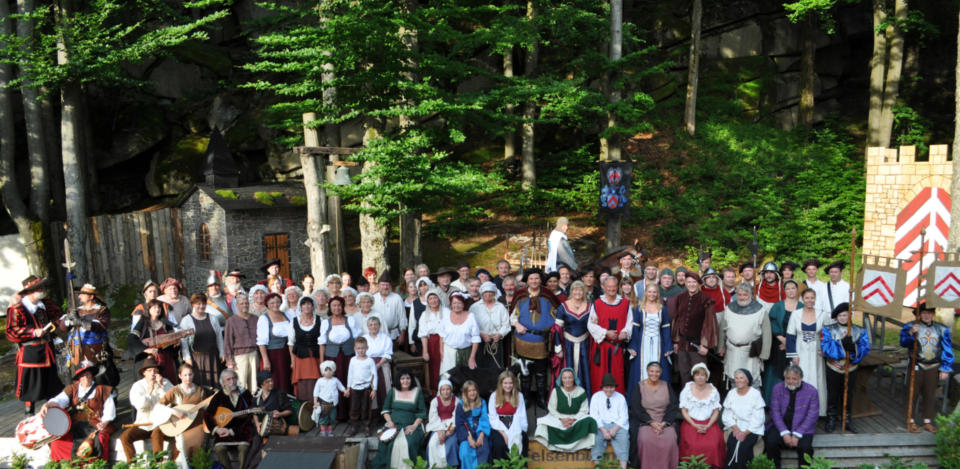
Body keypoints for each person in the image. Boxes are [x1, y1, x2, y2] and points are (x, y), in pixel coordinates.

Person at [6, 275, 66, 415]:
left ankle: (55, 413)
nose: (42, 289)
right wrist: (33, 332)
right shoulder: (18, 309)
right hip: (31, 354)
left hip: (48, 351)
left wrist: (61, 322)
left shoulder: (45, 304)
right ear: (29, 291)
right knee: (30, 388)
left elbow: (58, 317)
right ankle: (29, 415)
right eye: (38, 288)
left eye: (42, 287)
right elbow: (11, 332)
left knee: (52, 385)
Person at [42, 361, 115, 461]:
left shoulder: (102, 390)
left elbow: (109, 410)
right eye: (83, 376)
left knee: (101, 439)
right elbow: (60, 400)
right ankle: (67, 464)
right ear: (79, 378)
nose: (86, 378)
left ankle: (96, 464)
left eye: (88, 374)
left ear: (92, 375)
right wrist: (48, 404)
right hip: (75, 426)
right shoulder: (72, 389)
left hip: (96, 426)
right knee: (57, 442)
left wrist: (104, 423)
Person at [901, 304, 954, 433]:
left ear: (933, 314)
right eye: (924, 313)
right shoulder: (910, 326)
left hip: (933, 365)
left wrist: (945, 367)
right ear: (919, 314)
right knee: (912, 393)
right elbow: (903, 342)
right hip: (917, 364)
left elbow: (947, 348)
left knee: (930, 394)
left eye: (929, 313)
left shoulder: (942, 329)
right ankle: (910, 420)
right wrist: (910, 333)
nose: (926, 316)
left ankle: (927, 421)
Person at [511, 268, 560, 407]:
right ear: (527, 281)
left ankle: (541, 399)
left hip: (542, 340)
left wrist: (553, 329)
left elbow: (559, 314)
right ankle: (526, 398)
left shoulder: (548, 295)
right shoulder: (520, 295)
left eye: (537, 278)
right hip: (524, 339)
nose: (534, 281)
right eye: (531, 278)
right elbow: (512, 315)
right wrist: (517, 324)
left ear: (540, 280)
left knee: (541, 372)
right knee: (525, 372)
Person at [821, 302, 869, 433]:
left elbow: (865, 348)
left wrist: (853, 349)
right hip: (834, 367)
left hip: (851, 367)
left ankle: (846, 419)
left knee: (848, 394)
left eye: (845, 315)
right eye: (840, 316)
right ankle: (831, 418)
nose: (843, 318)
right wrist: (841, 344)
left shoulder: (859, 330)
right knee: (832, 394)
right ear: (836, 317)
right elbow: (826, 348)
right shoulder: (829, 329)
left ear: (850, 315)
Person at [120, 358, 175, 462]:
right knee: (125, 437)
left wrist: (161, 387)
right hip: (143, 424)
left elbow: (172, 402)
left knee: (157, 434)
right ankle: (133, 465)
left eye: (155, 370)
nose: (153, 373)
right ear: (144, 373)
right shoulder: (137, 386)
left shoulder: (165, 383)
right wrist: (149, 392)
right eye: (149, 371)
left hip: (161, 423)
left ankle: (158, 464)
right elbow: (141, 406)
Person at [764, 365, 818, 469]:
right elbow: (775, 412)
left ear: (801, 378)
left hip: (802, 427)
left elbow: (812, 415)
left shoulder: (812, 391)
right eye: (788, 378)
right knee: (771, 442)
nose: (791, 381)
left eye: (794, 379)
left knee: (805, 448)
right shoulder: (777, 388)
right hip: (781, 425)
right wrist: (784, 432)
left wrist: (797, 434)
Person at [669, 271, 719, 384]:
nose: (691, 284)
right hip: (682, 344)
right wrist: (676, 341)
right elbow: (677, 320)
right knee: (684, 374)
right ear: (685, 283)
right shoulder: (680, 298)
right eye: (689, 282)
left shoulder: (706, 300)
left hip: (698, 345)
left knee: (699, 375)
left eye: (694, 282)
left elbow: (709, 324)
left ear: (698, 283)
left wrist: (705, 344)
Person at [372, 369, 428, 469]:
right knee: (389, 443)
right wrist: (390, 422)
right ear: (398, 380)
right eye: (402, 378)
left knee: (410, 443)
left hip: (411, 425)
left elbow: (421, 412)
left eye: (408, 378)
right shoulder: (392, 391)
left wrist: (414, 426)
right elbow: (385, 410)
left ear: (411, 380)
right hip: (394, 425)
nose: (405, 381)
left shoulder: (417, 392)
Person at [719, 283, 771, 389]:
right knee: (734, 378)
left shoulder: (760, 310)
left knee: (752, 379)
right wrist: (721, 346)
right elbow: (722, 329)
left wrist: (764, 353)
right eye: (739, 294)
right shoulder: (729, 309)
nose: (742, 297)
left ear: (751, 295)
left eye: (745, 295)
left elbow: (767, 333)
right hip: (732, 351)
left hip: (750, 352)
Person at [160, 364, 213, 467]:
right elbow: (159, 406)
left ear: (193, 375)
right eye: (185, 375)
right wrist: (174, 411)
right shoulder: (175, 391)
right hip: (182, 425)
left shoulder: (200, 390)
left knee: (200, 448)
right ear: (180, 376)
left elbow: (204, 408)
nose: (188, 378)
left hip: (198, 424)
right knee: (184, 449)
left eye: (190, 374)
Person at [629, 363, 680, 469]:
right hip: (646, 420)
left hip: (664, 419)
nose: (654, 374)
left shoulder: (666, 385)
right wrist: (651, 422)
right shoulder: (639, 386)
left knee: (670, 439)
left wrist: (664, 422)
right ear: (647, 372)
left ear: (661, 372)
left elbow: (673, 405)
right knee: (645, 439)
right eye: (651, 371)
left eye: (657, 371)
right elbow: (636, 407)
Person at [785, 288, 827, 416]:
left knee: (816, 378)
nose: (810, 300)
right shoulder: (796, 314)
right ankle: (798, 411)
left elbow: (827, 335)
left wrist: (824, 349)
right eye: (807, 298)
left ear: (815, 299)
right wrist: (793, 355)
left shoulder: (822, 314)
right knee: (799, 378)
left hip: (815, 353)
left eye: (812, 298)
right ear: (802, 299)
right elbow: (790, 336)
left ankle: (816, 411)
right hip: (800, 352)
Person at [628, 282, 672, 400]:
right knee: (641, 369)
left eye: (654, 292)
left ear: (657, 294)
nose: (652, 294)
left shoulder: (662, 309)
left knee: (659, 367)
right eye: (649, 292)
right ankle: (640, 399)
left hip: (658, 343)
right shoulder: (639, 308)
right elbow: (635, 329)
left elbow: (666, 328)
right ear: (645, 293)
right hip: (643, 343)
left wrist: (668, 347)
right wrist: (633, 346)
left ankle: (658, 399)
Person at [320, 296, 361, 422]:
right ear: (330, 307)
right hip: (332, 358)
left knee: (349, 382)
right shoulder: (326, 322)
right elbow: (322, 343)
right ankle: (337, 414)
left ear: (343, 307)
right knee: (333, 384)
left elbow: (357, 340)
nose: (336, 308)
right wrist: (322, 363)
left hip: (348, 357)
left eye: (339, 305)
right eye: (334, 305)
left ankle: (352, 413)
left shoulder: (350, 320)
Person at [534, 367, 595, 452]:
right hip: (559, 418)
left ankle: (579, 446)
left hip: (576, 418)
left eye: (570, 377)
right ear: (561, 380)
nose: (567, 380)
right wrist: (562, 419)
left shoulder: (581, 391)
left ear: (574, 379)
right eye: (565, 378)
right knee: (542, 424)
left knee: (590, 421)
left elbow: (584, 410)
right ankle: (555, 447)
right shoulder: (556, 391)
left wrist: (573, 419)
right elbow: (552, 408)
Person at [204, 369, 255, 469]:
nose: (232, 381)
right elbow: (207, 414)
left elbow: (250, 416)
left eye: (234, 378)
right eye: (228, 379)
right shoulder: (218, 397)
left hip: (242, 432)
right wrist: (217, 429)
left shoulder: (245, 394)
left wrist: (232, 431)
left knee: (243, 448)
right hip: (223, 432)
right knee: (219, 448)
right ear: (223, 383)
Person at [588, 276, 631, 394]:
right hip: (601, 348)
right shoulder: (597, 303)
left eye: (614, 286)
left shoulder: (625, 303)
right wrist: (606, 332)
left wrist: (625, 332)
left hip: (617, 349)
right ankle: (599, 402)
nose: (611, 289)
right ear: (604, 287)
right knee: (599, 378)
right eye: (609, 287)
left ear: (617, 287)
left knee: (618, 377)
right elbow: (591, 325)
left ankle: (618, 403)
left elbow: (630, 322)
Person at [679, 363, 724, 468]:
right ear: (693, 376)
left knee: (713, 445)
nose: (700, 377)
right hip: (691, 422)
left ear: (706, 377)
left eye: (702, 375)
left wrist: (708, 425)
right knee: (693, 445)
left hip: (709, 423)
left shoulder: (713, 390)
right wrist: (694, 424)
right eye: (697, 375)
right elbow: (684, 410)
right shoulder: (687, 389)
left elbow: (716, 411)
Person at [127, 299, 180, 383]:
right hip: (150, 360)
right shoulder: (143, 323)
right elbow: (131, 338)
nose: (157, 309)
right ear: (149, 310)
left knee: (169, 383)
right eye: (154, 307)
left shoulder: (166, 324)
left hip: (167, 360)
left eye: (159, 307)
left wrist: (176, 343)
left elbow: (172, 343)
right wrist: (145, 349)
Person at [722, 369, 765, 469]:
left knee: (744, 448)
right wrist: (736, 429)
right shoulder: (731, 393)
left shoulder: (755, 394)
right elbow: (726, 415)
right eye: (736, 378)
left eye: (741, 378)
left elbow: (759, 418)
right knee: (732, 444)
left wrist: (745, 433)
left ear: (747, 380)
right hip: (735, 426)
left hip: (751, 428)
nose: (738, 380)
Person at [765, 279, 799, 403]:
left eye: (793, 288)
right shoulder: (777, 306)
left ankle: (791, 402)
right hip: (778, 343)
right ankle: (773, 402)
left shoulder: (802, 307)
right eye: (788, 288)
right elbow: (771, 322)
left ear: (797, 290)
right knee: (774, 373)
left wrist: (789, 343)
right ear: (784, 291)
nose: (791, 291)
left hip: (796, 345)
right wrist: (781, 339)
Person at [180, 293, 224, 388]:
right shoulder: (186, 320)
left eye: (203, 303)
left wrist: (222, 353)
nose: (201, 306)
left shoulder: (213, 318)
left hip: (213, 357)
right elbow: (184, 342)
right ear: (193, 304)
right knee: (200, 384)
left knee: (215, 384)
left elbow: (219, 337)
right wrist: (187, 358)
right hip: (196, 359)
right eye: (198, 304)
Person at [555, 280, 593, 389]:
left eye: (580, 290)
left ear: (584, 292)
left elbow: (594, 326)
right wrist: (558, 348)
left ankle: (583, 394)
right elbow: (557, 328)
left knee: (584, 370)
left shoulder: (590, 306)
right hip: (568, 345)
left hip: (585, 345)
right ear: (571, 291)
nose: (578, 292)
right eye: (575, 290)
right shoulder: (563, 307)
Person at [68, 284, 113, 370]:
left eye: (83, 294)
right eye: (79, 294)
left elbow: (101, 327)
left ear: (91, 296)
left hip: (97, 350)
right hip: (78, 352)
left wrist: (80, 321)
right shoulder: (76, 311)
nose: (79, 296)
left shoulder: (102, 310)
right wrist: (69, 318)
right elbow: (64, 328)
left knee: (101, 375)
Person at [590, 373, 629, 468]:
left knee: (624, 440)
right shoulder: (596, 397)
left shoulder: (620, 398)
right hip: (601, 425)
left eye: (611, 387)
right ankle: (598, 466)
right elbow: (594, 415)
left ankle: (623, 467)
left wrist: (615, 429)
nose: (609, 390)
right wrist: (603, 430)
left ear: (615, 387)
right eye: (606, 387)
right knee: (596, 440)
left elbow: (624, 416)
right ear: (602, 387)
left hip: (617, 425)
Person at [257, 292, 293, 394]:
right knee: (276, 380)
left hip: (288, 353)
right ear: (267, 305)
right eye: (272, 303)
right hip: (274, 355)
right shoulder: (264, 318)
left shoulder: (287, 315)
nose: (275, 305)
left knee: (287, 379)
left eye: (277, 302)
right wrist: (265, 360)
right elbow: (261, 342)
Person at [224, 294, 260, 394]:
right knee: (241, 383)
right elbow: (227, 342)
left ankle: (253, 403)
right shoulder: (231, 321)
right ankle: (241, 403)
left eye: (246, 303)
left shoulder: (255, 319)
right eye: (242, 303)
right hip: (239, 356)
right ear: (237, 305)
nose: (244, 305)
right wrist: (229, 360)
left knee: (254, 384)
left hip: (254, 354)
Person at [488, 370, 529, 458]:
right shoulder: (494, 396)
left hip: (515, 425)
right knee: (500, 444)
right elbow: (493, 417)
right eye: (505, 383)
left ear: (514, 383)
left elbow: (521, 416)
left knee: (521, 441)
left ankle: (517, 464)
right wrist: (503, 434)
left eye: (510, 383)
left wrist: (515, 434)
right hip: (498, 427)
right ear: (501, 383)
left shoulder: (519, 396)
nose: (508, 386)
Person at [471, 281, 511, 369]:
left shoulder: (500, 307)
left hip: (496, 342)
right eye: (486, 292)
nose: (488, 294)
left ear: (494, 293)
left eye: (490, 292)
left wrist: (500, 334)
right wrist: (481, 334)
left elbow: (506, 324)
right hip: (480, 342)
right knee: (481, 367)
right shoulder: (474, 307)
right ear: (482, 293)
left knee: (496, 368)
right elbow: (471, 326)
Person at [289, 296, 322, 401]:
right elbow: (291, 343)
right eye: (304, 304)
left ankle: (315, 404)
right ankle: (304, 407)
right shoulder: (294, 321)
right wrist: (292, 361)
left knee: (315, 381)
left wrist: (322, 360)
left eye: (309, 304)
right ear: (300, 307)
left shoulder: (320, 320)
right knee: (302, 382)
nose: (306, 306)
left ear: (313, 306)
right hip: (300, 359)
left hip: (315, 358)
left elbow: (322, 342)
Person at [439, 294, 481, 377]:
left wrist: (472, 357)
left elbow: (475, 338)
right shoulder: (446, 316)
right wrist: (442, 352)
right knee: (448, 377)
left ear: (463, 304)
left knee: (466, 378)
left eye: (459, 303)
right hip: (449, 353)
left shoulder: (471, 317)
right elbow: (442, 335)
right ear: (451, 304)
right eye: (454, 303)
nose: (456, 305)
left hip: (466, 353)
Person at [418, 289, 449, 393]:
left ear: (439, 299)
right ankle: (434, 391)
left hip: (445, 342)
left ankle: (446, 389)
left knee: (445, 365)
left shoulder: (446, 312)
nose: (433, 301)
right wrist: (425, 351)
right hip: (431, 343)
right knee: (432, 366)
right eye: (430, 298)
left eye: (435, 298)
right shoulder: (424, 314)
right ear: (427, 301)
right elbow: (423, 334)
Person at [456, 380, 492, 469]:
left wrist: (481, 435)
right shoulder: (460, 405)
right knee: (465, 452)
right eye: (469, 391)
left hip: (480, 432)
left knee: (484, 449)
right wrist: (469, 439)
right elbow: (460, 424)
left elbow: (484, 419)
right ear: (465, 393)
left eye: (474, 390)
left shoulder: (482, 402)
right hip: (466, 435)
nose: (472, 393)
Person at [347, 336, 378, 436]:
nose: (361, 350)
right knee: (354, 408)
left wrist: (374, 389)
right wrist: (348, 387)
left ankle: (366, 426)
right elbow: (350, 374)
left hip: (366, 388)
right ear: (355, 349)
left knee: (366, 408)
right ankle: (354, 426)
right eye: (358, 348)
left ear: (367, 348)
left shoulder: (370, 361)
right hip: (354, 388)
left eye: (363, 348)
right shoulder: (353, 360)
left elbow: (374, 375)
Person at [426, 379, 460, 468]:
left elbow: (456, 416)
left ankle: (450, 465)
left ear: (451, 390)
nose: (446, 392)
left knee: (452, 443)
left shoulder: (456, 400)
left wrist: (449, 430)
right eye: (443, 389)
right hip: (437, 426)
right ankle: (435, 466)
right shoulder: (435, 401)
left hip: (451, 426)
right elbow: (433, 417)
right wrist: (439, 430)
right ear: (440, 391)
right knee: (432, 444)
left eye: (448, 389)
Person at [365, 316, 394, 409]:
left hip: (382, 363)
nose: (373, 326)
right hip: (368, 365)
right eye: (371, 325)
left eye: (375, 324)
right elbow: (360, 353)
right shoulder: (364, 338)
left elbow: (388, 353)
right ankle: (373, 412)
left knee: (385, 386)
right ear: (368, 326)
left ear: (379, 326)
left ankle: (386, 410)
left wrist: (379, 364)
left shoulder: (386, 338)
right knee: (371, 387)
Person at [253, 371, 293, 437]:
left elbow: (290, 410)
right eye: (267, 382)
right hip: (260, 429)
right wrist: (257, 424)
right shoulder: (256, 396)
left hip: (276, 428)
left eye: (271, 380)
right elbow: (254, 413)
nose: (271, 383)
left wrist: (280, 414)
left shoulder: (279, 393)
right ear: (261, 384)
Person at [373, 271, 409, 346]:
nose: (385, 287)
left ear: (390, 286)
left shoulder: (397, 298)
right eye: (383, 285)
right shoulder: (373, 298)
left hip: (393, 335)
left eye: (387, 285)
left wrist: (402, 335)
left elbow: (402, 317)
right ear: (378, 285)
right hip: (376, 335)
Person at [312, 360, 346, 436]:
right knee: (323, 419)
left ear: (333, 371)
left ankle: (330, 431)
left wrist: (345, 391)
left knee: (332, 418)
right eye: (326, 370)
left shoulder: (335, 380)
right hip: (323, 403)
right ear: (322, 372)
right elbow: (316, 392)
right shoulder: (320, 381)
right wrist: (315, 402)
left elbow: (341, 387)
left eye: (330, 370)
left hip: (333, 403)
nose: (328, 372)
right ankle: (323, 431)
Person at [407, 277, 434, 356]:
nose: (423, 287)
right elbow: (412, 324)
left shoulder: (436, 300)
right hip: (419, 339)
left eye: (425, 285)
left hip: (433, 339)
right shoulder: (415, 303)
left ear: (429, 285)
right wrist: (412, 342)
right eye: (421, 285)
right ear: (418, 288)